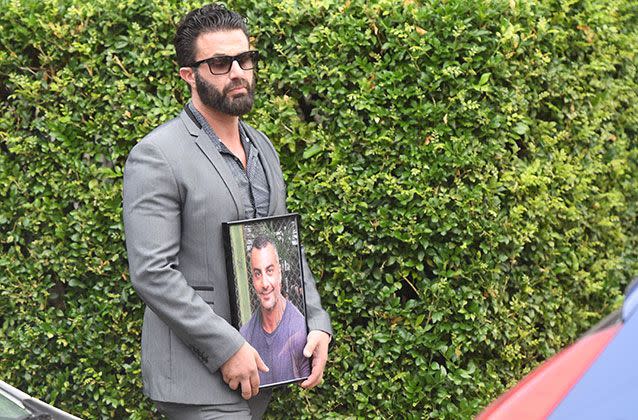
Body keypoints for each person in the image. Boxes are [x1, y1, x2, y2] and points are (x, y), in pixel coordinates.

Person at [122, 4, 332, 419]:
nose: (238, 71)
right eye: (220, 62)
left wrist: (315, 323)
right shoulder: (157, 155)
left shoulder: (263, 147)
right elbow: (152, 272)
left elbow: (284, 246)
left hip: (263, 371)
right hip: (197, 378)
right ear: (189, 75)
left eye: (245, 58)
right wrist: (226, 347)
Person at [240, 237, 310, 386]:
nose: (264, 284)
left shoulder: (300, 330)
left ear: (280, 272)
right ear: (252, 280)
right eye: (258, 273)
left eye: (269, 271)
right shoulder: (244, 336)